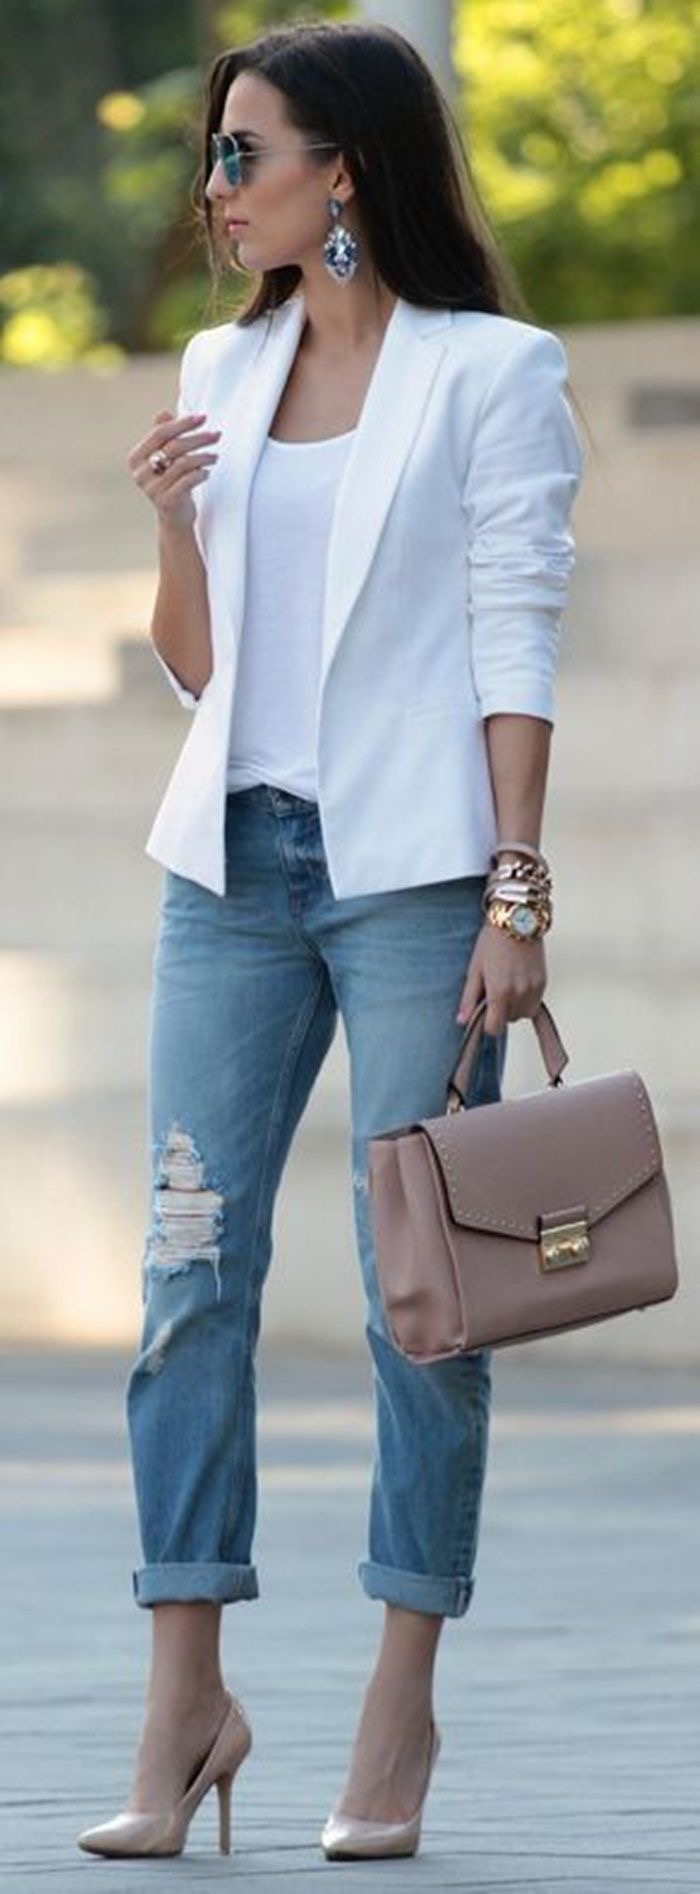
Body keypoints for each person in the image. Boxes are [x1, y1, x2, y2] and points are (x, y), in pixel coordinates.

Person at [77, 16, 584, 1864]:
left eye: (245, 153)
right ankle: (185, 1704)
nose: (218, 188)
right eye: (215, 155)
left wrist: (515, 890)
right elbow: (200, 670)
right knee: (188, 1275)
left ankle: (399, 1701)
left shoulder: (490, 372)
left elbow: (516, 634)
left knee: (418, 1298)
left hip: (415, 881)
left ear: (343, 169)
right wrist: (174, 529)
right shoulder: (225, 361)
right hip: (229, 870)